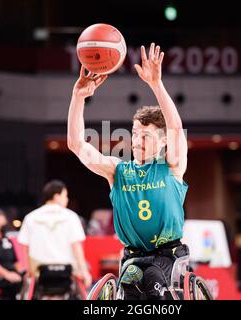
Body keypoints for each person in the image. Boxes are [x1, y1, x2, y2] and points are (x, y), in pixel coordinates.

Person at [68, 43, 189, 299]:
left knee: (153, 280)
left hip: (168, 254)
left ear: (164, 140)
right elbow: (77, 145)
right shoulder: (117, 170)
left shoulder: (171, 165)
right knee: (131, 280)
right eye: (134, 134)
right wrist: (78, 97)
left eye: (145, 136)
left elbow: (176, 127)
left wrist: (156, 84)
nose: (136, 141)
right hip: (133, 256)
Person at [17, 180, 92, 293]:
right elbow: (76, 246)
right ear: (57, 196)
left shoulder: (30, 217)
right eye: (65, 196)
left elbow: (25, 248)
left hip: (39, 270)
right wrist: (84, 272)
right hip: (67, 270)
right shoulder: (71, 217)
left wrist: (29, 270)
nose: (67, 199)